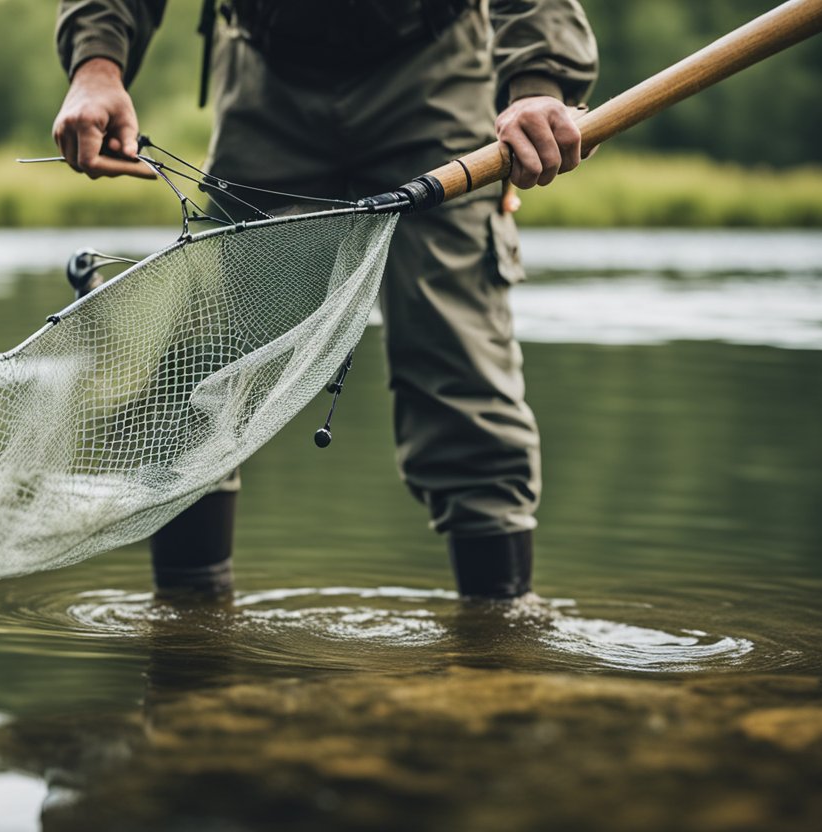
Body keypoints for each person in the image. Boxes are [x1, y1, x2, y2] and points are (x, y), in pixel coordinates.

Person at [50, 0, 598, 601]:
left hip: (434, 67)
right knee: (195, 370)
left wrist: (539, 83)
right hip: (265, 71)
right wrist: (96, 64)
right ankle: (189, 639)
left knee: (458, 367)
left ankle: (500, 640)